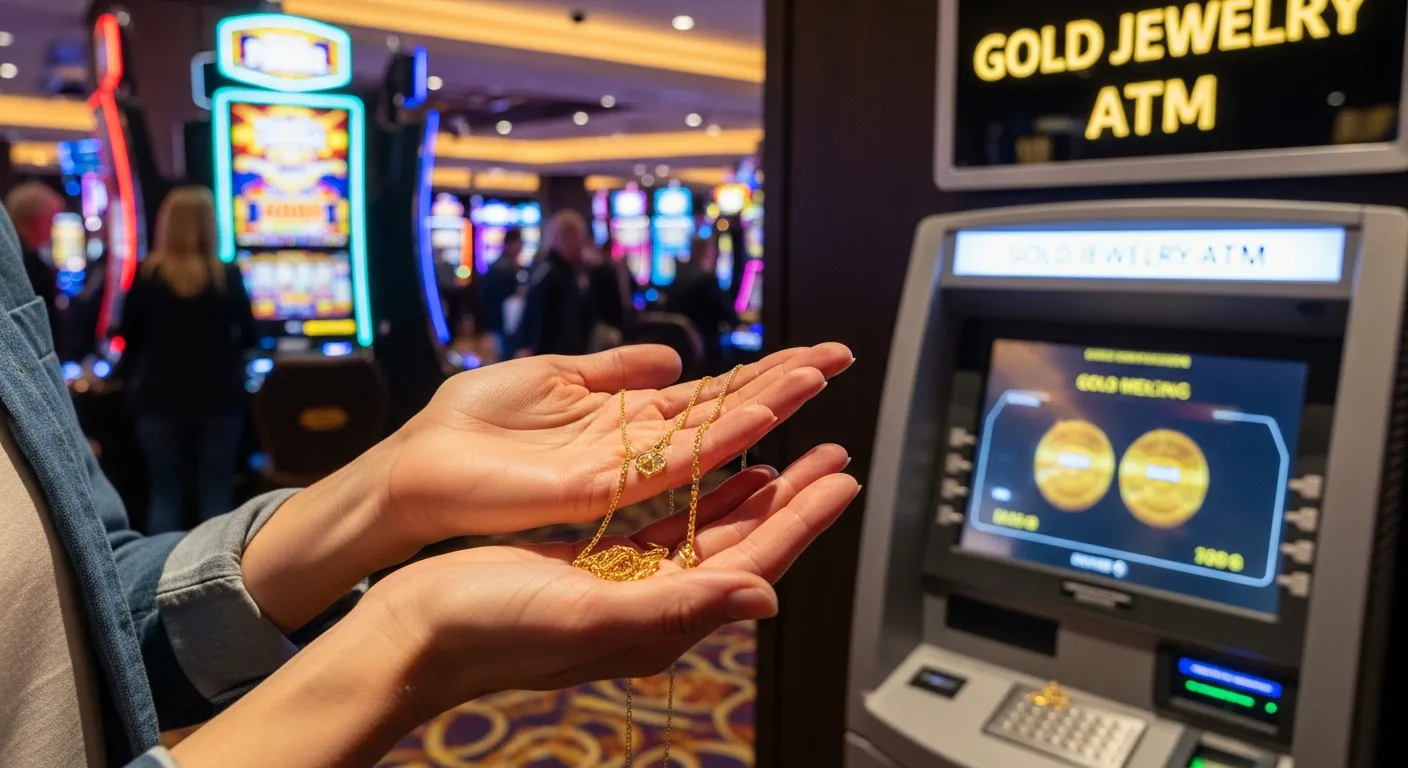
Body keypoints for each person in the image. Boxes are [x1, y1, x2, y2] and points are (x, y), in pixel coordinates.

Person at [1, 197, 859, 766]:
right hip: (219, 395)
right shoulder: (223, 276)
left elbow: (82, 604)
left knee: (171, 497)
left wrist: (393, 488)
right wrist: (403, 641)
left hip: (164, 401)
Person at [117, 187, 257, 533]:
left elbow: (127, 338)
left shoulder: (148, 276)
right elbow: (251, 337)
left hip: (157, 394)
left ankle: (158, 581)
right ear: (211, 225)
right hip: (219, 395)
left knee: (165, 493)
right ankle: (214, 579)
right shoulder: (226, 276)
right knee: (215, 491)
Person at [517, 210, 596, 357]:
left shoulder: (570, 272)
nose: (582, 243)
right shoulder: (548, 274)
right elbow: (535, 322)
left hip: (568, 356)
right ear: (564, 237)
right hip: (551, 359)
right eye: (579, 237)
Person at [667, 232, 740, 374]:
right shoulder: (706, 279)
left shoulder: (679, 275)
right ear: (706, 251)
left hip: (682, 351)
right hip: (705, 352)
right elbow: (728, 317)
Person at [3, 181, 64, 338]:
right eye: (50, 221)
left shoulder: (13, 252)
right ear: (35, 220)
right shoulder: (25, 262)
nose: (51, 229)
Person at [478, 227, 527, 359]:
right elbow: (490, 299)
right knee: (505, 359)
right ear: (510, 245)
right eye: (519, 243)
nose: (521, 248)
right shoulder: (502, 268)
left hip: (503, 322)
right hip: (501, 322)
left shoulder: (508, 265)